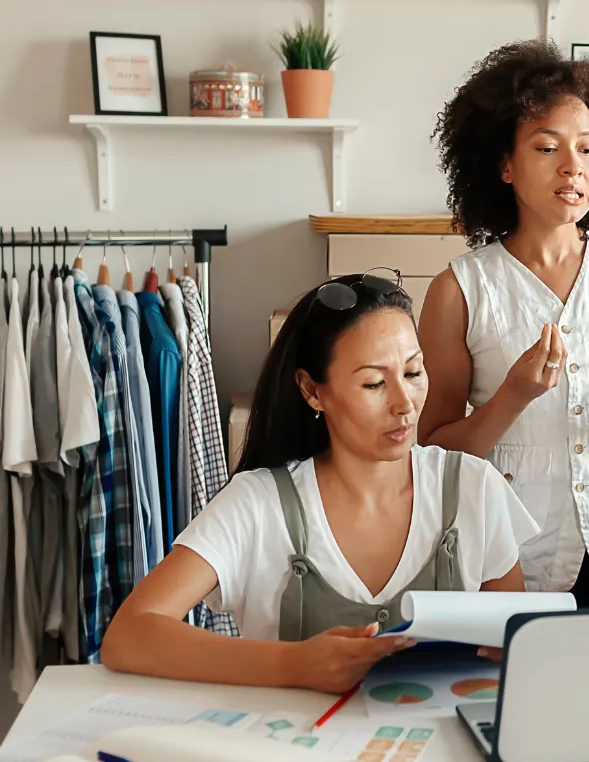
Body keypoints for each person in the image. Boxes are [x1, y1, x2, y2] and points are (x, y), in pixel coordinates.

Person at [101, 272, 539, 692]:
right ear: (312, 391)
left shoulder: (475, 488)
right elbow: (128, 636)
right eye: (373, 383)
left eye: (413, 372)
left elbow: (516, 649)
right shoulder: (258, 503)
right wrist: (292, 664)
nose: (405, 404)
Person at [418, 40, 589, 607]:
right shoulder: (458, 291)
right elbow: (433, 451)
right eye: (548, 148)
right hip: (515, 562)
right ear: (505, 165)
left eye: (587, 150)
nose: (573, 167)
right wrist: (512, 397)